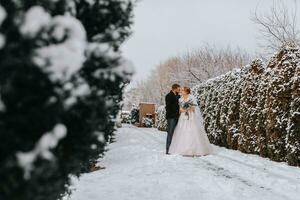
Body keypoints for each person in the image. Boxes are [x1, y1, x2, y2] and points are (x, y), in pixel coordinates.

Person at [169, 87, 212, 156]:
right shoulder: (180, 99)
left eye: (182, 90)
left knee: (193, 130)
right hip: (183, 116)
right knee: (182, 131)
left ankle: (196, 149)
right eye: (181, 90)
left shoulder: (191, 98)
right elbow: (180, 109)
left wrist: (188, 109)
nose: (181, 91)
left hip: (191, 116)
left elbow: (194, 107)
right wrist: (184, 110)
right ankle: (183, 149)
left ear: (186, 91)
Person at [165, 84, 181, 154]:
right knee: (170, 133)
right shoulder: (168, 96)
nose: (179, 90)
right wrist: (173, 114)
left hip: (178, 117)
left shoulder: (179, 96)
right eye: (178, 88)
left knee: (177, 133)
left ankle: (175, 149)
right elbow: (168, 108)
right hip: (171, 117)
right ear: (174, 88)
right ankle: (168, 150)